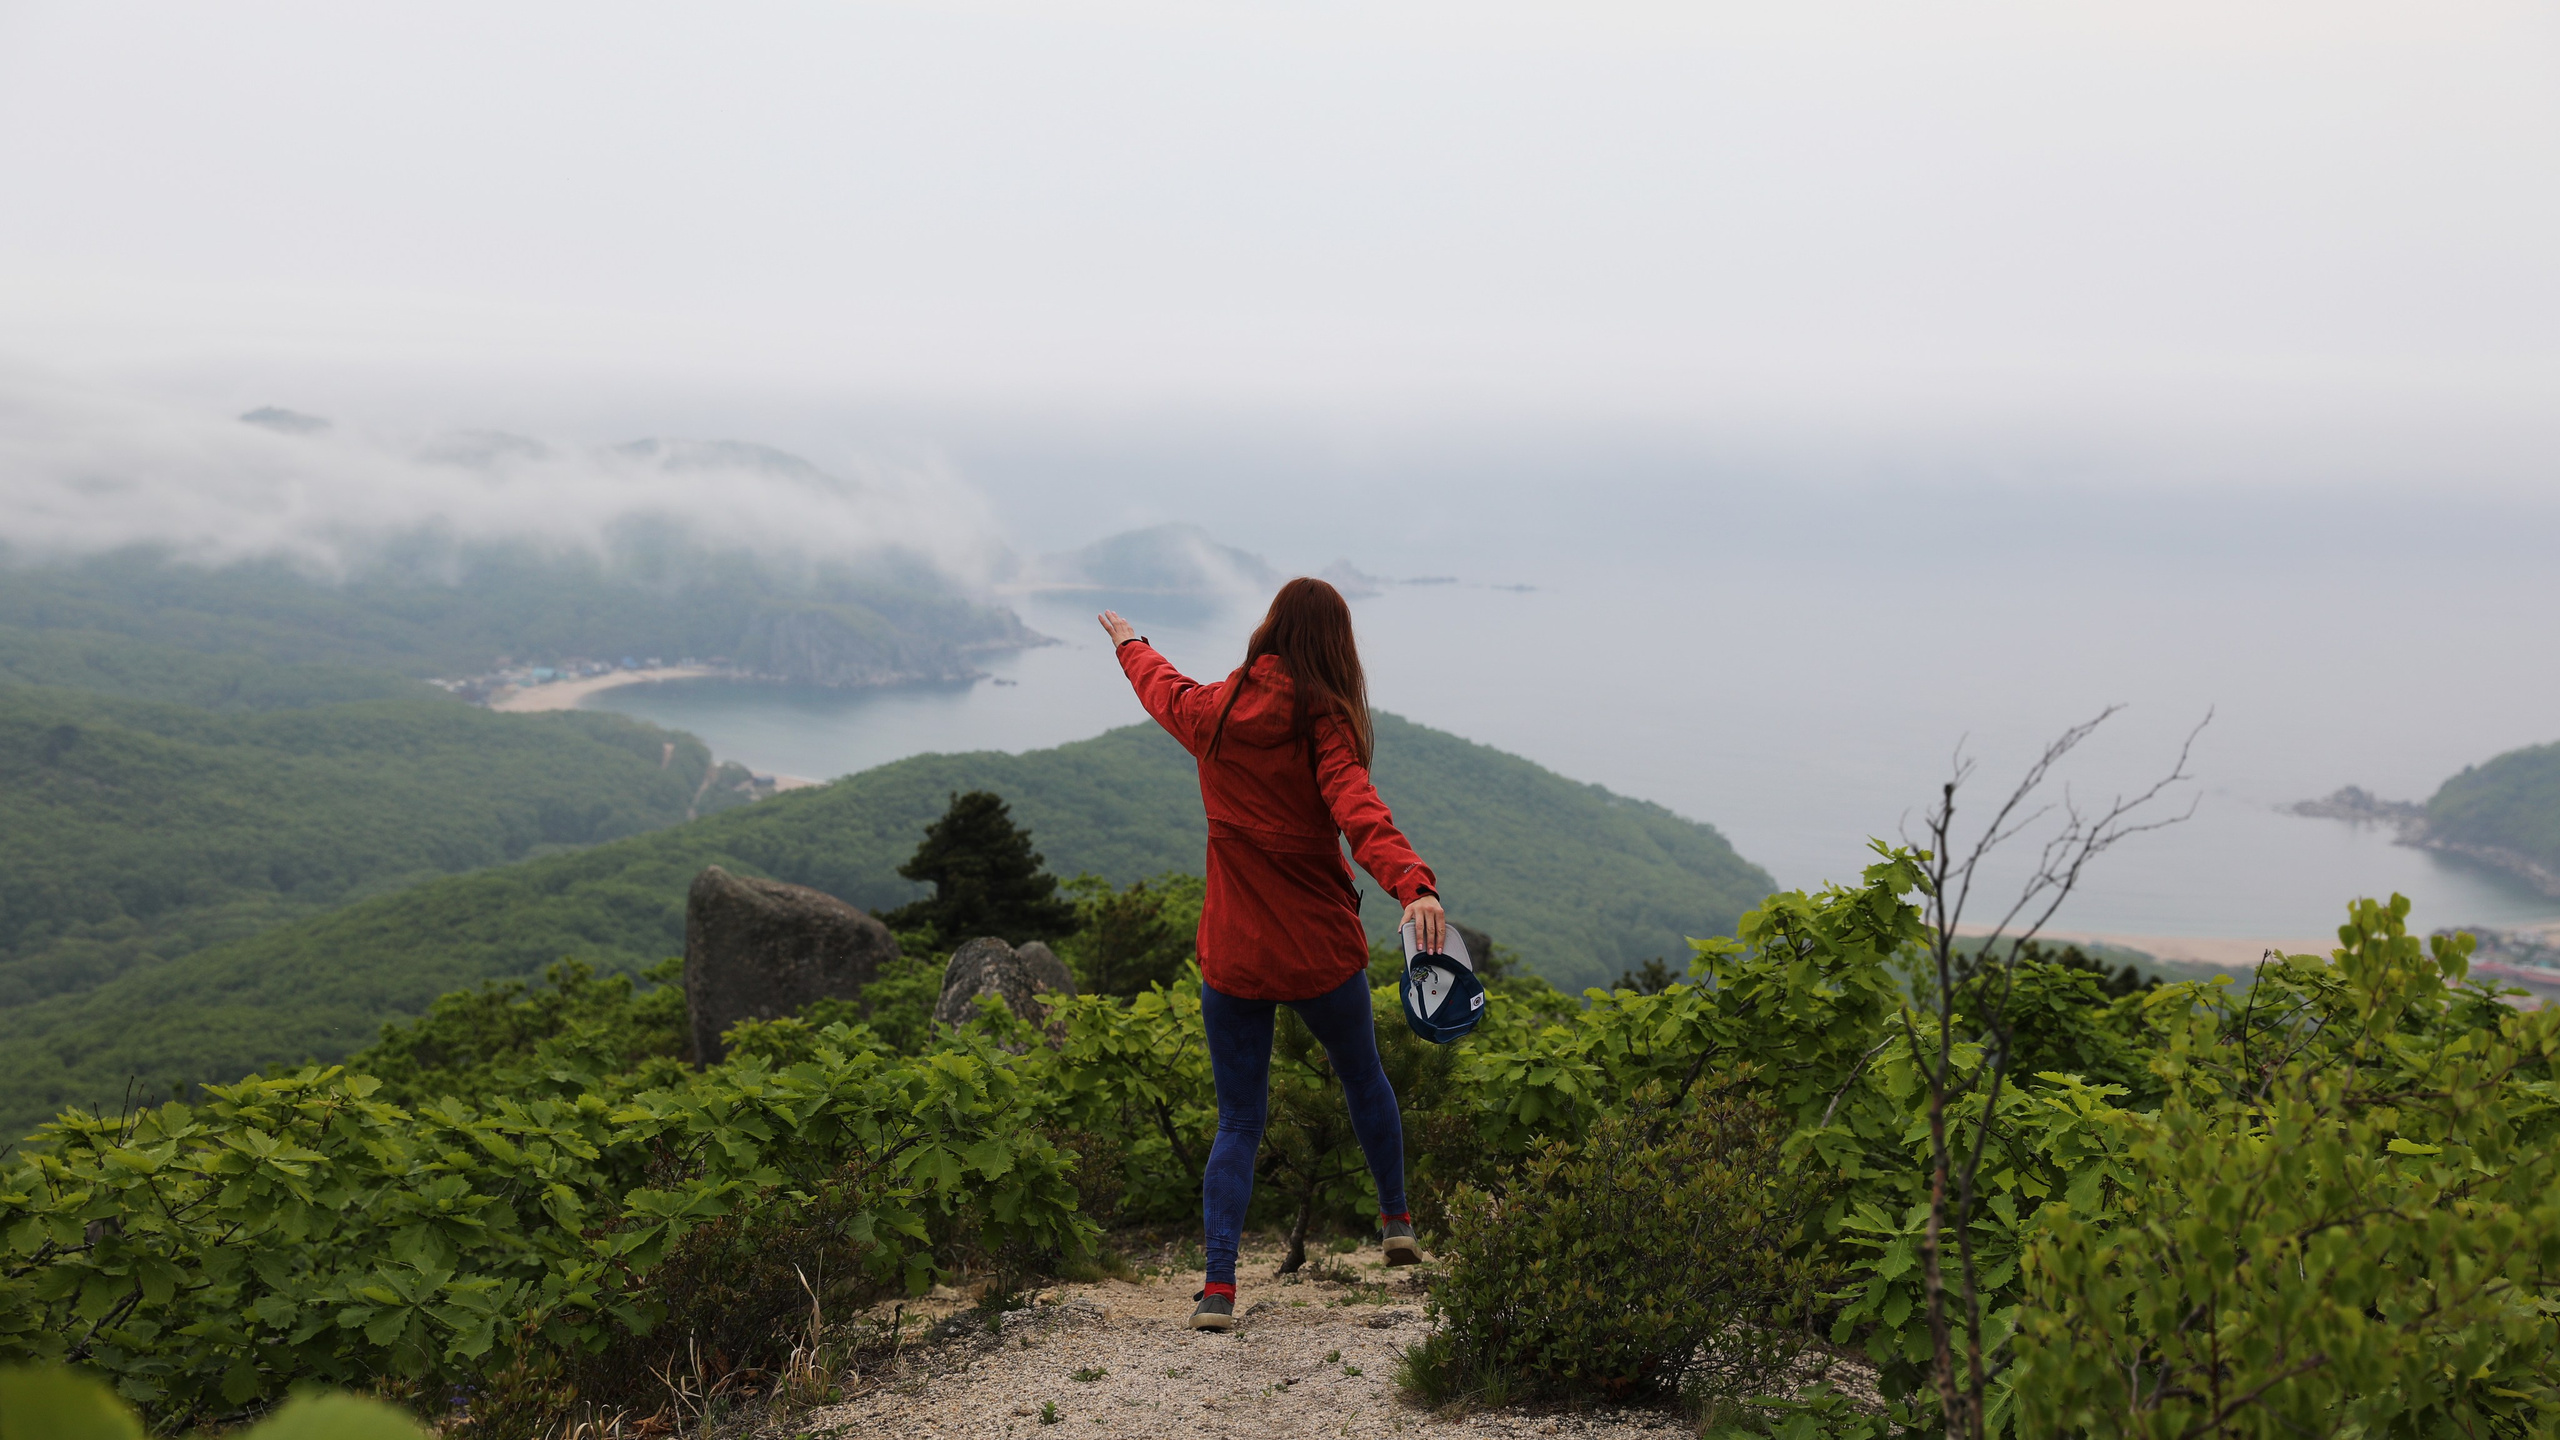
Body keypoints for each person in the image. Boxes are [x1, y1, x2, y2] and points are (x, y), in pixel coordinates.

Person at [1099, 578, 1445, 1334]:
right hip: (1318, 952)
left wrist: (1131, 644)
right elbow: (1359, 809)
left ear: (1271, 630)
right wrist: (1411, 884)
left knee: (1238, 1121)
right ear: (1335, 645)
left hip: (1235, 953)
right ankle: (1395, 1219)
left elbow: (1163, 689)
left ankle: (1218, 1290)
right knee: (1363, 1077)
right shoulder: (1325, 723)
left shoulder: (1216, 712)